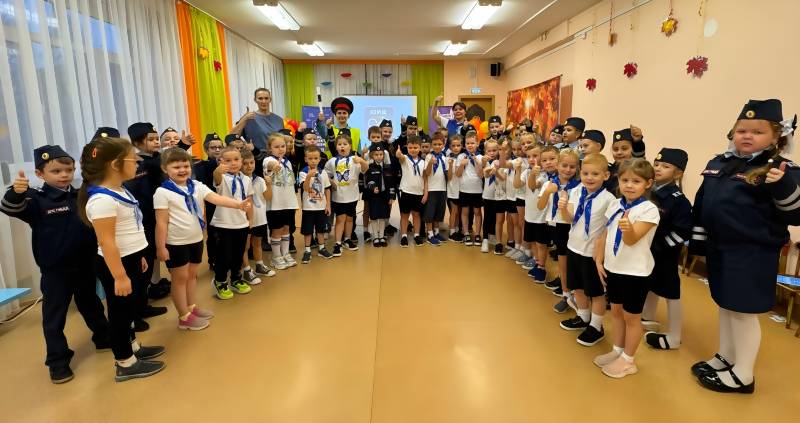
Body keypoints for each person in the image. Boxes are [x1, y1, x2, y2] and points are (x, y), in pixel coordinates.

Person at [689, 99, 799, 394]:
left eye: (758, 131)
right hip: (721, 248)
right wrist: (698, 240)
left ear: (776, 137)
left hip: (751, 252)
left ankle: (743, 374)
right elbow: (703, 203)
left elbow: (796, 214)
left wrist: (782, 184)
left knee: (743, 312)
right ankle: (727, 356)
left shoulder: (781, 169)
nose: (747, 136)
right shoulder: (719, 163)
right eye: (742, 130)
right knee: (726, 305)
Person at [0, 145, 110, 384]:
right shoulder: (35, 199)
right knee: (54, 317)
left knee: (91, 303)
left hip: (85, 263)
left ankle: (103, 338)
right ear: (40, 174)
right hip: (56, 270)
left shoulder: (80, 195)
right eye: (56, 171)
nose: (64, 175)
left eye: (69, 170)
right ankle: (58, 362)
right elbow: (9, 208)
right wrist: (16, 193)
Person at [78, 137, 166, 382]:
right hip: (116, 265)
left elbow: (129, 229)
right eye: (133, 159)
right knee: (119, 314)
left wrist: (139, 256)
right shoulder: (102, 200)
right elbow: (107, 243)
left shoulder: (120, 190)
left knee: (129, 310)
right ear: (115, 164)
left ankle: (133, 347)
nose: (138, 163)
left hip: (131, 258)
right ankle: (125, 362)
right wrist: (119, 276)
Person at [154, 148, 250, 330]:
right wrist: (161, 247)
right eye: (176, 167)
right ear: (165, 168)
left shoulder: (196, 186)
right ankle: (183, 316)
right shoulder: (162, 192)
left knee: (192, 276)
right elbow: (161, 222)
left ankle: (191, 307)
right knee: (180, 279)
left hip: (196, 239)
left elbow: (216, 198)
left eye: (185, 166)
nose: (182, 170)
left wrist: (238, 204)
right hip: (176, 242)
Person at [593, 158, 660, 379]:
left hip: (635, 273)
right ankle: (617, 350)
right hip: (614, 268)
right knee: (616, 312)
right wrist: (599, 260)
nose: (629, 185)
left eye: (636, 181)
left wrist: (628, 228)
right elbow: (605, 233)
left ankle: (629, 360)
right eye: (625, 180)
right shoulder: (616, 204)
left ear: (648, 183)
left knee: (632, 318)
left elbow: (631, 240)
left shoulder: (649, 210)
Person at [558, 153, 615, 347]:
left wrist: (600, 255)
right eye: (585, 173)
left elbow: (609, 229)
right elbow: (569, 219)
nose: (589, 178)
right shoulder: (576, 191)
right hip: (573, 247)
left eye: (595, 174)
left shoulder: (609, 199)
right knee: (577, 287)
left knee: (596, 293)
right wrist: (563, 208)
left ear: (605, 176)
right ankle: (583, 317)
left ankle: (596, 327)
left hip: (592, 253)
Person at [641, 148, 691, 350]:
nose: (658, 168)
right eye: (656, 164)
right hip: (648, 249)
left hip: (665, 254)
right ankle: (647, 317)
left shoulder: (678, 200)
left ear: (678, 173)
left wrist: (661, 247)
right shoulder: (649, 191)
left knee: (671, 293)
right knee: (650, 283)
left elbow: (682, 231)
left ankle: (675, 336)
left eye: (666, 166)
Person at [124, 123, 168, 331]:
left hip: (154, 218)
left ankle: (143, 306)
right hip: (140, 222)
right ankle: (134, 314)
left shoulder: (154, 160)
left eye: (157, 138)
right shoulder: (135, 165)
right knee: (138, 271)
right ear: (136, 143)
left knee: (148, 266)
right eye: (150, 139)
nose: (156, 142)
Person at [537, 148, 580, 313]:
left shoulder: (578, 187)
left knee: (571, 263)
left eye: (572, 167)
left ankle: (574, 295)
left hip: (572, 226)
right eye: (564, 165)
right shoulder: (549, 184)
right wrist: (548, 192)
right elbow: (540, 206)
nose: (568, 170)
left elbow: (574, 214)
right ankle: (566, 294)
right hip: (556, 225)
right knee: (562, 263)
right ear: (557, 165)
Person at [210, 146, 253, 299]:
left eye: (236, 159)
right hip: (224, 224)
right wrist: (218, 170)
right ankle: (220, 281)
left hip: (241, 223)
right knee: (224, 255)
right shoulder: (222, 177)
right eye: (228, 160)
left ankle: (236, 278)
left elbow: (249, 200)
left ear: (241, 161)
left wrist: (250, 220)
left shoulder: (246, 179)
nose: (233, 163)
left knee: (238, 254)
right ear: (220, 162)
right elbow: (216, 177)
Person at [325, 133, 368, 255]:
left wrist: (361, 160)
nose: (342, 146)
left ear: (350, 146)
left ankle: (347, 239)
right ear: (336, 147)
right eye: (339, 144)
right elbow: (325, 174)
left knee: (349, 219)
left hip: (352, 196)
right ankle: (338, 243)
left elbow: (365, 169)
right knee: (340, 219)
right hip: (338, 197)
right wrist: (331, 182)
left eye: (345, 144)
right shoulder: (332, 161)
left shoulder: (355, 160)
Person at [263, 133, 300, 269]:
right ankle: (276, 257)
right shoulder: (268, 160)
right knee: (277, 230)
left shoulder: (287, 161)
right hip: (275, 204)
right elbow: (269, 165)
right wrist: (273, 166)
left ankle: (285, 254)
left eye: (283, 146)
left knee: (286, 229)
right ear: (270, 148)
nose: (280, 149)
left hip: (288, 202)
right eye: (276, 147)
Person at [240, 150, 276, 281]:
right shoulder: (239, 181)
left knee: (257, 243)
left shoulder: (260, 180)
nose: (249, 166)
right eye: (245, 163)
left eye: (251, 162)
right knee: (245, 246)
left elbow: (268, 197)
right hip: (245, 219)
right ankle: (246, 270)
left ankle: (259, 265)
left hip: (260, 218)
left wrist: (269, 184)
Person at [192, 133, 224, 268]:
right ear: (206, 150)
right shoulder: (201, 165)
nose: (217, 150)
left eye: (220, 147)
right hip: (211, 205)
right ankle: (214, 260)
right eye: (213, 147)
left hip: (226, 203)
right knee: (214, 235)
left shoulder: (228, 163)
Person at [298, 145, 334, 262]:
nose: (313, 161)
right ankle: (307, 250)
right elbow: (305, 188)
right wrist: (309, 176)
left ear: (319, 159)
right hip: (308, 208)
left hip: (321, 207)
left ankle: (322, 248)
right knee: (307, 230)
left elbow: (327, 189)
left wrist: (328, 205)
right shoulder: (303, 172)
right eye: (310, 158)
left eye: (315, 158)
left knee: (321, 229)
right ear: (305, 159)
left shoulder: (323, 172)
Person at [395, 135, 426, 247]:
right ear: (407, 148)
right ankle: (404, 236)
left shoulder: (423, 162)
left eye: (415, 147)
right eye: (410, 147)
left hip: (418, 192)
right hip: (406, 191)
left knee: (416, 214)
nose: (413, 150)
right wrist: (398, 154)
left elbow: (425, 178)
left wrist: (425, 193)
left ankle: (416, 235)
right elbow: (400, 157)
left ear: (420, 148)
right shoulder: (405, 158)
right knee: (404, 215)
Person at [231, 88, 285, 152]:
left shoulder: (279, 120)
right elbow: (231, 137)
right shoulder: (249, 118)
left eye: (266, 98)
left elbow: (283, 141)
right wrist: (244, 119)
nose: (264, 101)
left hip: (277, 155)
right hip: (256, 156)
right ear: (255, 100)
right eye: (260, 98)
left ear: (270, 99)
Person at [364, 143, 396, 247]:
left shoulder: (388, 168)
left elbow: (391, 183)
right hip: (374, 196)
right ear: (372, 156)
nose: (379, 156)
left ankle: (381, 236)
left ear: (384, 155)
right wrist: (373, 187)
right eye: (376, 154)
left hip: (384, 196)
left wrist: (392, 196)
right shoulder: (370, 168)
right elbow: (368, 181)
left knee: (383, 217)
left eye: (381, 154)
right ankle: (375, 237)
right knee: (374, 217)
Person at [456, 130, 484, 247]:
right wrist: (462, 164)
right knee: (465, 212)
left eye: (472, 143)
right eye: (467, 143)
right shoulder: (461, 156)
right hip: (464, 189)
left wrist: (477, 162)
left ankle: (477, 234)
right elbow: (458, 174)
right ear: (464, 145)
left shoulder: (481, 157)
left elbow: (481, 175)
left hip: (477, 190)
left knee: (477, 212)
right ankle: (466, 233)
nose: (470, 145)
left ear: (477, 143)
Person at [422, 132, 448, 245]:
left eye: (439, 144)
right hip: (432, 189)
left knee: (438, 213)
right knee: (430, 213)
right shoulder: (429, 156)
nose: (437, 146)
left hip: (442, 189)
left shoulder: (444, 157)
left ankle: (436, 232)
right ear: (431, 145)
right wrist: (430, 164)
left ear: (443, 145)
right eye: (435, 144)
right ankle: (430, 234)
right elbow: (426, 173)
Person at [606, 126, 646, 194]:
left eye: (624, 149)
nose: (619, 152)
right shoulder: (609, 170)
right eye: (615, 149)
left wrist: (637, 142)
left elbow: (638, 154)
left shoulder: (638, 167)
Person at [480, 139, 501, 253]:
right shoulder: (485, 161)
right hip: (488, 194)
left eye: (494, 150)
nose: (492, 153)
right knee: (487, 217)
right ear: (485, 151)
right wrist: (484, 162)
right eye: (489, 151)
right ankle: (485, 239)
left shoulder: (501, 161)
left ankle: (492, 235)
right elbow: (483, 173)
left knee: (496, 217)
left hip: (499, 195)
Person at [445, 134, 465, 241]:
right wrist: (450, 165)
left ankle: (457, 230)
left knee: (460, 211)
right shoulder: (447, 158)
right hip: (452, 189)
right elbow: (448, 177)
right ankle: (451, 232)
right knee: (454, 211)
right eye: (453, 145)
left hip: (462, 189)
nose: (456, 148)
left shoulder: (464, 157)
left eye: (458, 145)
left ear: (462, 146)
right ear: (450, 147)